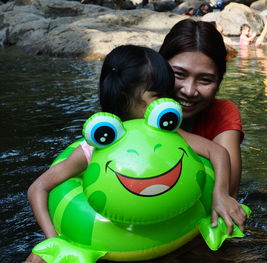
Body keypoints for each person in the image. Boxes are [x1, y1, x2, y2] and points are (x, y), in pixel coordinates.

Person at [24, 45, 245, 263]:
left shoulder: (169, 132)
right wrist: (53, 241)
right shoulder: (96, 149)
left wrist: (220, 195)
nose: (171, 101)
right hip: (112, 246)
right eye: (158, 95)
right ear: (124, 97)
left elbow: (217, 151)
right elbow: (38, 188)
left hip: (175, 232)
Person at [159, 18, 247, 223]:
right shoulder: (137, 108)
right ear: (159, 70)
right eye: (178, 74)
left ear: (219, 82)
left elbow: (230, 193)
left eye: (205, 80)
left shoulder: (222, 112)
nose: (189, 91)